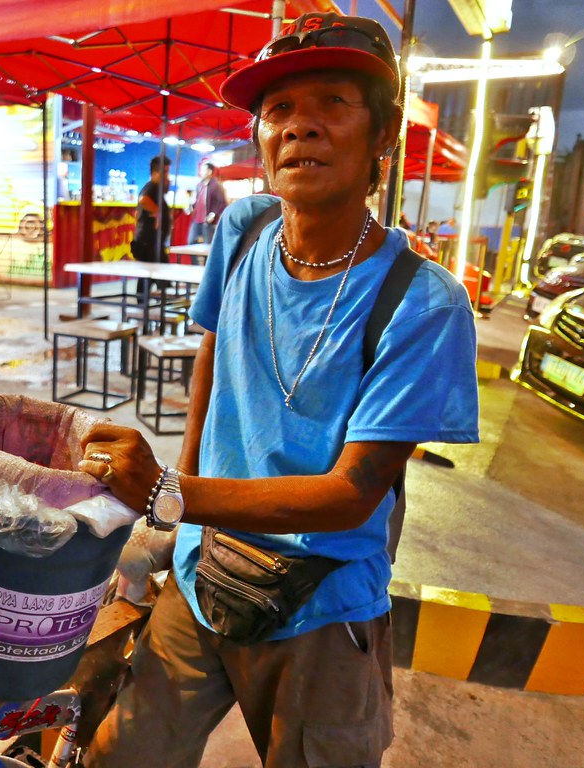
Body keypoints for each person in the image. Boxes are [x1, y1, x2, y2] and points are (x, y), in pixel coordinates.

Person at [78, 11, 479, 768]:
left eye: (332, 103)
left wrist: (170, 493)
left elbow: (351, 494)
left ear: (382, 137)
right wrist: (176, 515)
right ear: (260, 139)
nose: (301, 129)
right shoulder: (244, 229)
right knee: (119, 755)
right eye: (279, 111)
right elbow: (212, 358)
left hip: (321, 610)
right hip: (202, 574)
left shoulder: (422, 302)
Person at [129, 154, 172, 303]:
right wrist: (157, 212)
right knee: (158, 275)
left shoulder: (157, 188)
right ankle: (150, 306)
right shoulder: (151, 187)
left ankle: (145, 305)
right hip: (148, 241)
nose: (167, 176)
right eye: (165, 172)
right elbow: (144, 200)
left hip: (152, 241)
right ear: (155, 173)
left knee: (150, 276)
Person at [188, 161, 228, 244]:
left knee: (208, 244)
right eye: (201, 170)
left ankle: (206, 257)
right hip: (197, 219)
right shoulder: (199, 185)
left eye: (203, 170)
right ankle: (197, 257)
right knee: (191, 241)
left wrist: (213, 214)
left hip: (208, 220)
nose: (201, 172)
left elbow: (222, 203)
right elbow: (197, 200)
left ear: (210, 171)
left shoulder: (216, 186)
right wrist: (191, 207)